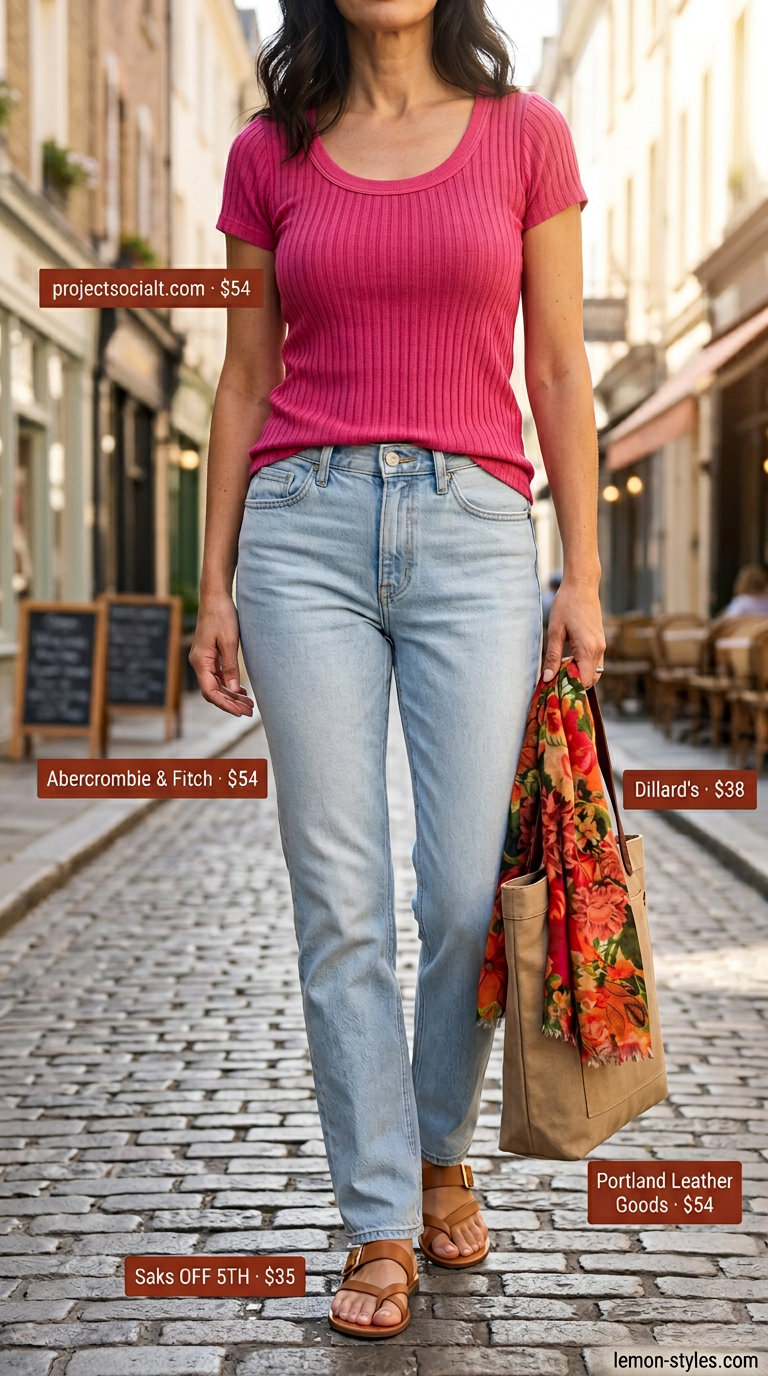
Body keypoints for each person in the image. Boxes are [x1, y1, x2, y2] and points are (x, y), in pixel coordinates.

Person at [190, 0, 606, 1341]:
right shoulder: (272, 154)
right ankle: (380, 1215)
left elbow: (556, 363)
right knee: (343, 897)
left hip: (479, 533)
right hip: (299, 533)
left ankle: (440, 1143)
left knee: (464, 898)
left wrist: (586, 575)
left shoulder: (525, 137)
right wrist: (211, 583)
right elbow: (243, 374)